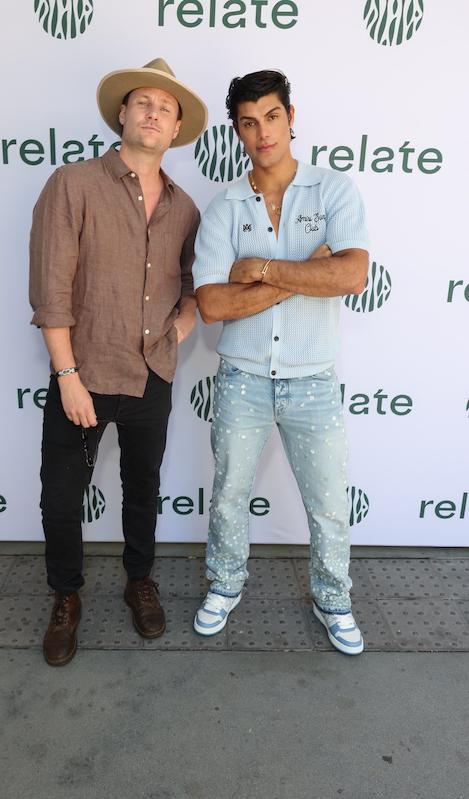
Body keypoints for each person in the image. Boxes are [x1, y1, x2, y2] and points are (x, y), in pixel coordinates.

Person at [29, 58, 207, 666]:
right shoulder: (72, 184)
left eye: (166, 106)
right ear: (123, 115)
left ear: (177, 127)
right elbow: (51, 291)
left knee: (144, 489)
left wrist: (177, 333)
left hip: (150, 377)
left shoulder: (185, 207)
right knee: (60, 497)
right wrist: (67, 376)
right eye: (144, 102)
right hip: (83, 375)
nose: (154, 112)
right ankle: (66, 597)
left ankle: (139, 580)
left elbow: (190, 284)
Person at [192, 70, 369, 654]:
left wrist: (263, 268)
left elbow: (350, 273)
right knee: (228, 494)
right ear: (237, 131)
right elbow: (213, 304)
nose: (262, 132)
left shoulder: (333, 190)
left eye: (272, 116)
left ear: (291, 117)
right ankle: (224, 583)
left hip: (312, 379)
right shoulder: (224, 207)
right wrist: (304, 272)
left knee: (327, 502)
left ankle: (333, 598)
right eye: (249, 122)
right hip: (242, 377)